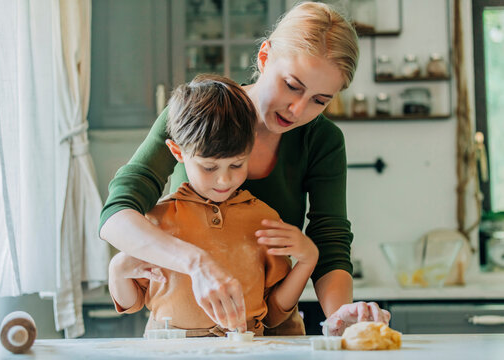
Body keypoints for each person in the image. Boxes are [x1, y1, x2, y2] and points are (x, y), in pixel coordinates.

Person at [100, 1, 390, 336]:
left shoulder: (323, 140)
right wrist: (196, 263)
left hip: (273, 330)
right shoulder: (196, 115)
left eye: (319, 100)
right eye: (292, 85)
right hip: (185, 336)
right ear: (264, 57)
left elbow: (330, 240)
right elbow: (117, 212)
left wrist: (342, 314)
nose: (297, 110)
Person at [108, 74, 317, 336]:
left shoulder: (264, 219)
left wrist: (308, 259)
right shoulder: (156, 222)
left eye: (237, 164)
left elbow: (274, 314)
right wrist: (117, 271)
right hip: (170, 352)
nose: (224, 179)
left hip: (244, 352)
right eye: (209, 167)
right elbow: (132, 304)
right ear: (177, 152)